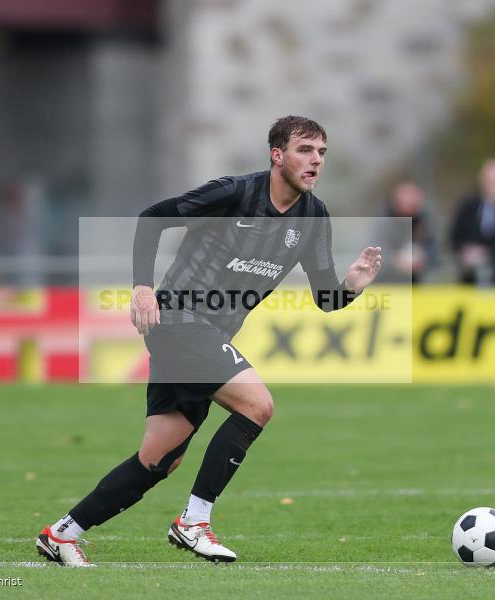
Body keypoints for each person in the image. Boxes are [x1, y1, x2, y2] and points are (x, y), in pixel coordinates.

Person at [35, 116, 382, 566]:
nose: (315, 161)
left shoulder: (314, 218)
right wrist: (142, 287)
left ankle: (62, 534)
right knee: (257, 405)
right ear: (278, 155)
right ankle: (193, 522)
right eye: (305, 150)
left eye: (321, 153)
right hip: (178, 319)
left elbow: (324, 299)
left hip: (209, 335)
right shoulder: (234, 193)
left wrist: (351, 285)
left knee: (159, 459)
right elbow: (153, 218)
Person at [449, 158, 495, 285]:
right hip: (470, 279)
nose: (494, 184)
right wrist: (466, 250)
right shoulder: (468, 206)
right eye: (491, 179)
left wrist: (487, 253)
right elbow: (455, 236)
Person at [373, 181, 437, 284]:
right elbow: (375, 247)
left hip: (414, 282)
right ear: (398, 203)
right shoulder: (382, 220)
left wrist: (423, 259)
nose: (411, 210)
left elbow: (432, 248)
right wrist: (395, 261)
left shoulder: (423, 220)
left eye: (415, 206)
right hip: (385, 281)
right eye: (408, 205)